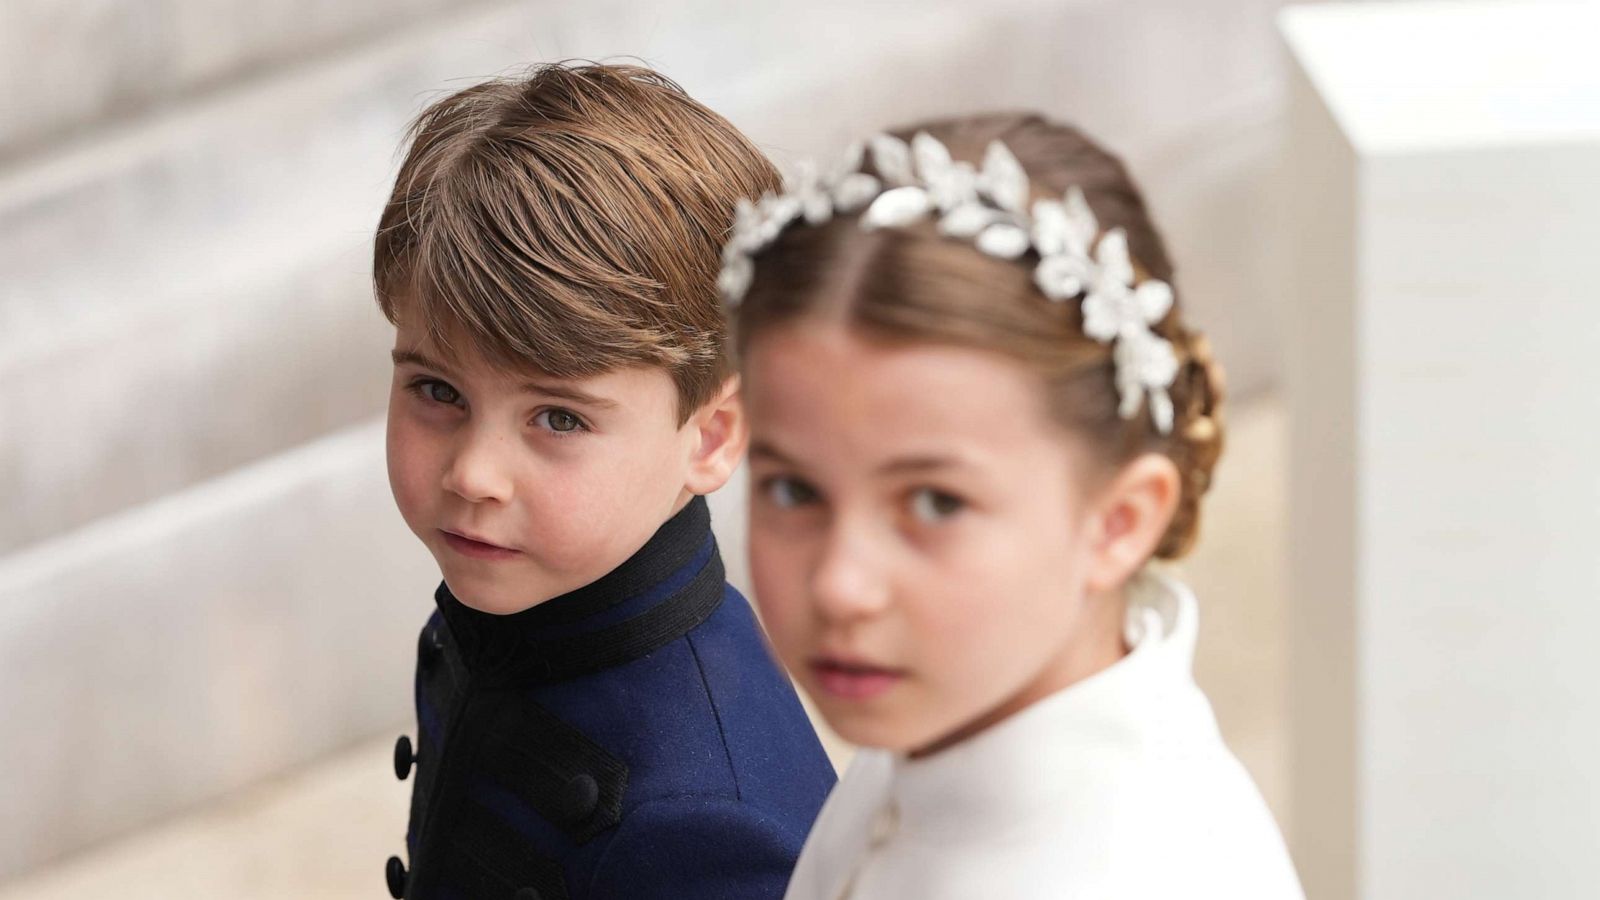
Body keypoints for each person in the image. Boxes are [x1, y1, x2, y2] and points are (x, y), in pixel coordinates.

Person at [725, 113, 1304, 899]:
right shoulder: (951, 712)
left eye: (933, 502)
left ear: (1118, 522)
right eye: (795, 490)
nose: (840, 585)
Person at [371, 62, 836, 900]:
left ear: (712, 436)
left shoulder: (707, 827)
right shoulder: (504, 617)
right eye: (438, 391)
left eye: (558, 418)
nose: (474, 473)